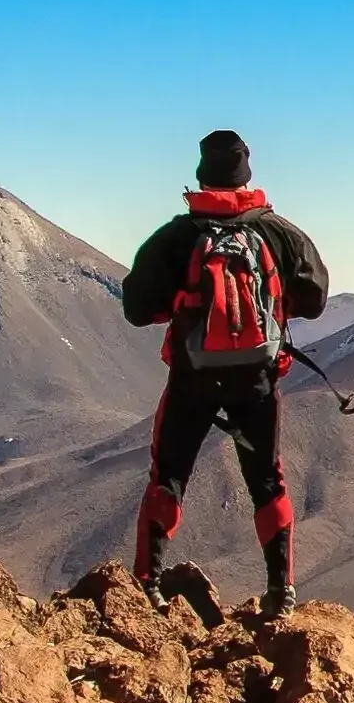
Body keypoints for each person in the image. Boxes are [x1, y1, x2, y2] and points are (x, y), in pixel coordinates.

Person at [121, 129, 330, 615]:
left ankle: (147, 586)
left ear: (201, 174)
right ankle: (282, 592)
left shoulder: (176, 237)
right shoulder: (279, 234)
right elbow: (316, 300)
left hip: (193, 379)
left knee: (168, 476)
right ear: (246, 173)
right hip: (256, 383)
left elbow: (136, 306)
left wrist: (182, 306)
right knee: (267, 482)